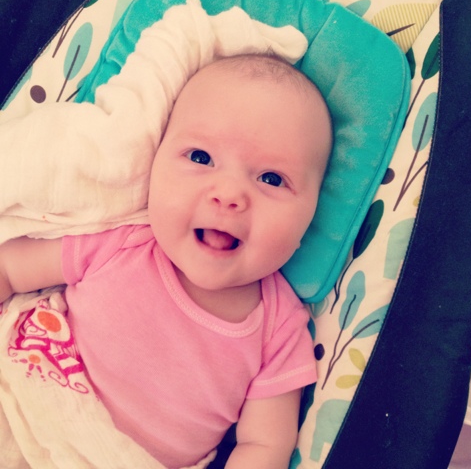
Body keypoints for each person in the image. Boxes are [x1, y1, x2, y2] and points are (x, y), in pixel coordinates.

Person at [0, 53, 332, 468]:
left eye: (271, 179)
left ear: (312, 216)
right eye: (200, 157)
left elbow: (264, 446)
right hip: (25, 398)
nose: (228, 194)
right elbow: (10, 268)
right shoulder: (124, 242)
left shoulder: (280, 329)